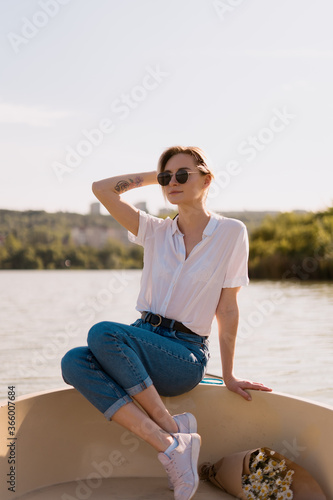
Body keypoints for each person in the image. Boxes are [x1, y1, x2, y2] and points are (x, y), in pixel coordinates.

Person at [61, 145, 272, 500]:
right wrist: (155, 176)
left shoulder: (231, 233)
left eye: (182, 175)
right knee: (73, 361)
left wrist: (231, 373)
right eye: (166, 178)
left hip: (185, 354)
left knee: (102, 333)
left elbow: (229, 309)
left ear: (207, 179)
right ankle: (170, 439)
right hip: (141, 341)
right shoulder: (155, 231)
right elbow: (101, 189)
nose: (172, 182)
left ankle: (170, 428)